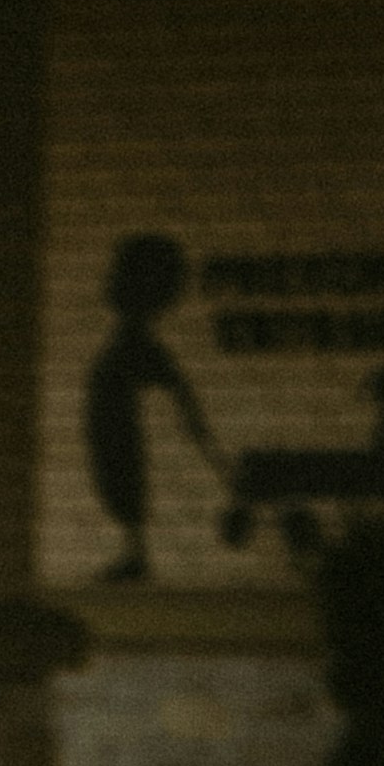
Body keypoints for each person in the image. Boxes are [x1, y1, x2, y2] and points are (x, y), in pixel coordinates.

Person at [85, 230, 224, 580]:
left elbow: (177, 387)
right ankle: (133, 554)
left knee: (123, 480)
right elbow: (177, 387)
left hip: (116, 425)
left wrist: (203, 438)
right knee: (119, 481)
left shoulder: (135, 342)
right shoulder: (131, 339)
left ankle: (135, 556)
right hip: (111, 422)